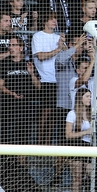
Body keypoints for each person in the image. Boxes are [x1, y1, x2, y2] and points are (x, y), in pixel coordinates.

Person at [0, 36, 40, 144]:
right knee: (7, 138)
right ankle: (7, 161)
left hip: (25, 107)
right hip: (7, 107)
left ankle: (22, 161)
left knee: (23, 139)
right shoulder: (3, 63)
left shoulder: (29, 64)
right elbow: (0, 85)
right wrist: (12, 93)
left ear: (21, 48)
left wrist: (32, 73)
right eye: (10, 45)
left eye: (14, 45)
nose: (11, 48)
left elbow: (38, 86)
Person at [32, 12, 68, 144]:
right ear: (45, 21)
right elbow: (40, 56)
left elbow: (66, 58)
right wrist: (58, 49)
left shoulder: (58, 37)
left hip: (58, 80)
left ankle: (48, 143)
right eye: (51, 18)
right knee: (45, 112)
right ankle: (40, 143)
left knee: (53, 114)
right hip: (45, 79)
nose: (54, 21)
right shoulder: (37, 36)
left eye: (55, 18)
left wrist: (63, 45)